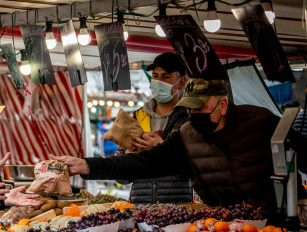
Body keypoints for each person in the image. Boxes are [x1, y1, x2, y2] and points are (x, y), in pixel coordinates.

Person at [52, 78, 280, 214]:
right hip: (222, 225)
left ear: (222, 104)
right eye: (189, 109)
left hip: (272, 221)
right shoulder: (187, 134)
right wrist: (86, 165)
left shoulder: (261, 121)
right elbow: (143, 163)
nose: (192, 114)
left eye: (199, 108)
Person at [121, 52, 192, 204]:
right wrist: (128, 158)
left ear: (181, 82)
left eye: (166, 77)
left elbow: (197, 167)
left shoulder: (189, 119)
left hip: (178, 209)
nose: (158, 81)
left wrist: (162, 150)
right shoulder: (136, 118)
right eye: (155, 76)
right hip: (140, 207)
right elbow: (121, 177)